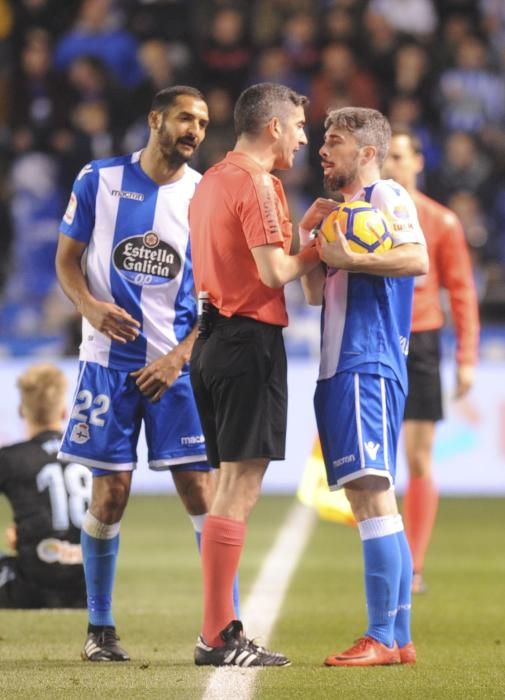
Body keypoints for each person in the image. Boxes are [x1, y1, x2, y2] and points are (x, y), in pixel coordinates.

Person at [55, 85, 236, 662]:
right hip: (107, 369)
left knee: (200, 491)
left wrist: (181, 355)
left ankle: (222, 627)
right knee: (111, 495)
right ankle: (99, 630)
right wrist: (87, 306)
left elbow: (217, 294)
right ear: (156, 119)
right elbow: (66, 259)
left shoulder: (205, 194)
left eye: (204, 123)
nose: (195, 131)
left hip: (177, 369)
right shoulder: (98, 179)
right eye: (186, 118)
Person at [189, 82, 329, 667]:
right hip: (249, 342)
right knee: (240, 490)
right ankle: (217, 635)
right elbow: (275, 274)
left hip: (212, 339)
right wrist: (321, 243)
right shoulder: (260, 184)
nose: (304, 136)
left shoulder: (211, 180)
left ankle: (215, 631)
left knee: (226, 487)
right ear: (273, 126)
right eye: (298, 125)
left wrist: (303, 237)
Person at [301, 107, 428, 666]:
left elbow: (416, 257)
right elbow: (311, 294)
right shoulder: (343, 213)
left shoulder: (387, 197)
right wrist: (311, 234)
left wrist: (351, 254)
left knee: (371, 493)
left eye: (334, 141)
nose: (323, 150)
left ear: (368, 153)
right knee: (373, 497)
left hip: (366, 359)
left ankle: (380, 635)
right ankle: (398, 638)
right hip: (341, 364)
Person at [383, 128, 480, 593]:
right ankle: (381, 547)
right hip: (377, 338)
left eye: (400, 156)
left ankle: (414, 564)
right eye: (386, 156)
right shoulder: (366, 216)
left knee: (418, 457)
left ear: (419, 162)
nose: (392, 164)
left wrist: (466, 358)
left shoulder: (440, 222)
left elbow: (461, 291)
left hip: (420, 342)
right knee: (373, 462)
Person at [0, 363, 90, 609]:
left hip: (28, 591)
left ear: (21, 410)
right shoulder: (89, 457)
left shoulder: (10, 459)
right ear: (63, 412)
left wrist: (24, 532)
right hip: (88, 592)